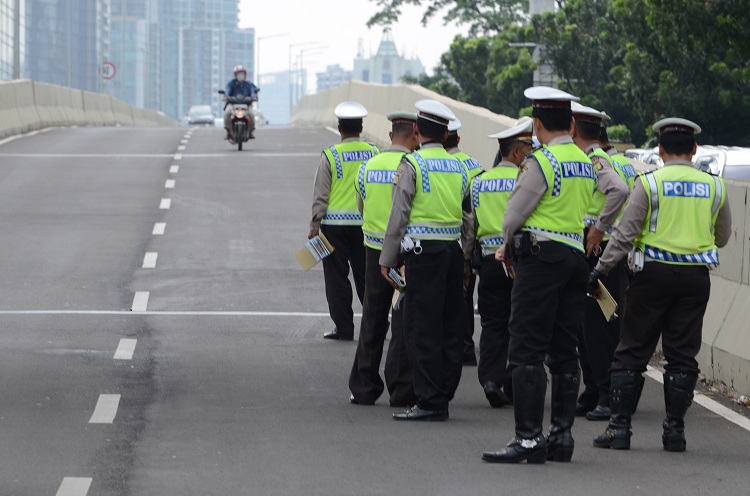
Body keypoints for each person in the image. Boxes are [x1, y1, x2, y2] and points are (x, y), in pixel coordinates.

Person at [589, 117, 731, 452]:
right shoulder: (715, 187)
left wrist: (600, 268)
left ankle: (619, 429)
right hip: (694, 280)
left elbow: (624, 235)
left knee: (632, 350)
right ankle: (674, 431)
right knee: (682, 355)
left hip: (651, 277)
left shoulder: (650, 183)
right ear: (694, 150)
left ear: (661, 149)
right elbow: (722, 237)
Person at [482, 86, 596, 464]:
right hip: (575, 258)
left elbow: (514, 213)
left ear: (535, 124)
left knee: (527, 346)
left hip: (541, 258)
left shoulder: (539, 162)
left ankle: (529, 438)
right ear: (573, 123)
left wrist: (507, 243)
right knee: (565, 350)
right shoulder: (583, 160)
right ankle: (561, 438)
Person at [380, 99, 468, 421]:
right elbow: (468, 216)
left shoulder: (411, 165)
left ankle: (429, 400)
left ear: (417, 130)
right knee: (449, 325)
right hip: (453, 252)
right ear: (446, 135)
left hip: (422, 255)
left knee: (421, 327)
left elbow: (399, 214)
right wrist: (467, 261)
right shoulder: (460, 166)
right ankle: (442, 393)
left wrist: (387, 259)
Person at [348, 111, 419, 407]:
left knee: (373, 318)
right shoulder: (414, 166)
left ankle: (364, 386)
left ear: (390, 136)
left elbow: (361, 206)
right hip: (404, 251)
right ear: (415, 134)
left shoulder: (368, 167)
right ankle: (401, 389)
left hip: (374, 250)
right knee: (403, 318)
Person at [463, 117, 534, 408]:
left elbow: (470, 227)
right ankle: (514, 381)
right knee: (521, 322)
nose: (531, 152)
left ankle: (490, 379)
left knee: (493, 323)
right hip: (521, 262)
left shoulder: (478, 182)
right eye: (528, 147)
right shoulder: (526, 179)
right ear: (516, 152)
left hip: (490, 263)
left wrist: (466, 264)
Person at [569, 102, 629, 421]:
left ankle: (607, 394)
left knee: (601, 323)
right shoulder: (584, 158)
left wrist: (598, 228)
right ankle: (593, 389)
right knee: (585, 325)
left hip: (599, 250)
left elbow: (618, 190)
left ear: (574, 128)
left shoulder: (594, 158)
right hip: (588, 248)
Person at [309, 101, 379, 341]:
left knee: (336, 279)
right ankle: (376, 326)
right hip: (365, 226)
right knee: (367, 278)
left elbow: (321, 194)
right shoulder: (374, 153)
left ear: (339, 128)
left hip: (333, 228)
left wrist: (314, 227)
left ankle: (344, 328)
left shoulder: (330, 155)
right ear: (361, 127)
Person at [444, 117, 484, 366]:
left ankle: (448, 346)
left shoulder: (436, 164)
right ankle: (466, 347)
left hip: (445, 238)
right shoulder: (474, 165)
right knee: (465, 295)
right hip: (473, 239)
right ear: (458, 139)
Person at [223, 65, 259, 139]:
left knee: (251, 114)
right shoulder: (231, 83)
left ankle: (250, 132)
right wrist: (226, 97)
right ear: (235, 75)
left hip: (246, 104)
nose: (240, 76)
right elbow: (227, 91)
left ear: (245, 75)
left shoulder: (249, 84)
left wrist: (253, 97)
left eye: (242, 74)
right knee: (227, 112)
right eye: (239, 74)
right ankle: (228, 131)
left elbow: (253, 91)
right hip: (232, 104)